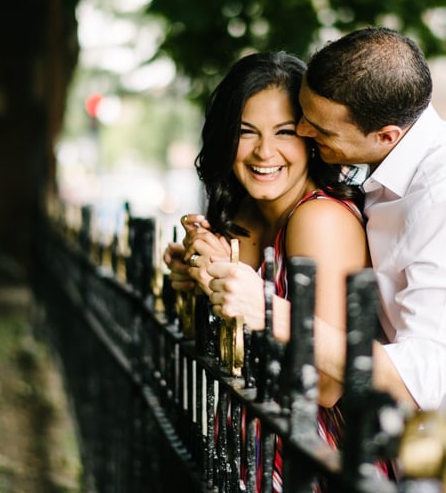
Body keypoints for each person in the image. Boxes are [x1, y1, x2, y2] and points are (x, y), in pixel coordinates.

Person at [207, 27, 446, 488]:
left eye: (318, 127)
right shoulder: (387, 156)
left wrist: (270, 311)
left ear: (385, 134)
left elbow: (422, 380)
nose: (306, 134)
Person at [162, 51, 379, 491]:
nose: (264, 151)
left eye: (284, 132)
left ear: (311, 138)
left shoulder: (320, 219)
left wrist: (234, 295)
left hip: (311, 467)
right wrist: (197, 279)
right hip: (240, 464)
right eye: (246, 132)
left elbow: (326, 387)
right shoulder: (240, 213)